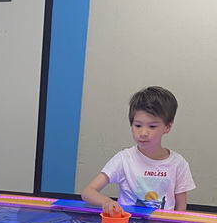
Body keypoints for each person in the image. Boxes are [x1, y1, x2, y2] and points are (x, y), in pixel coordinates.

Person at [81, 86, 195, 215]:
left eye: (152, 126)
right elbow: (88, 192)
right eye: (138, 125)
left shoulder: (178, 163)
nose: (143, 133)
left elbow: (181, 208)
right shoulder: (124, 159)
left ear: (167, 127)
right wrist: (107, 202)